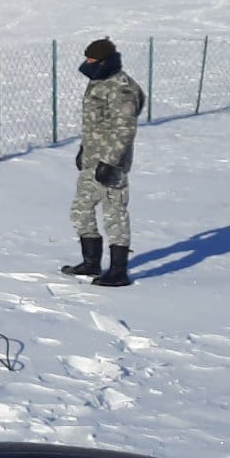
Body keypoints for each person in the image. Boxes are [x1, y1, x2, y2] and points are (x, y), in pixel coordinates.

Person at [63, 38, 145, 286]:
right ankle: (91, 263)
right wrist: (83, 150)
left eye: (92, 60)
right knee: (80, 211)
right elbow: (95, 124)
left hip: (112, 164)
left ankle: (119, 272)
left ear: (104, 61)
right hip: (92, 159)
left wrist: (110, 162)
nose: (87, 63)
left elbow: (125, 129)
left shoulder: (122, 88)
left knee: (114, 215)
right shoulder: (98, 81)